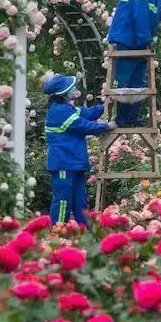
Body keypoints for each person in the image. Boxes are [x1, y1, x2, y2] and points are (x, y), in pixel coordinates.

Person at [43, 73, 115, 227]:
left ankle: (86, 235)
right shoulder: (58, 112)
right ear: (64, 92)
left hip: (74, 163)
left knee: (80, 201)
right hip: (64, 164)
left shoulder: (67, 108)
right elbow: (83, 125)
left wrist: (106, 105)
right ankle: (58, 233)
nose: (75, 89)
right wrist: (105, 126)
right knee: (62, 201)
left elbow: (87, 113)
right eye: (72, 87)